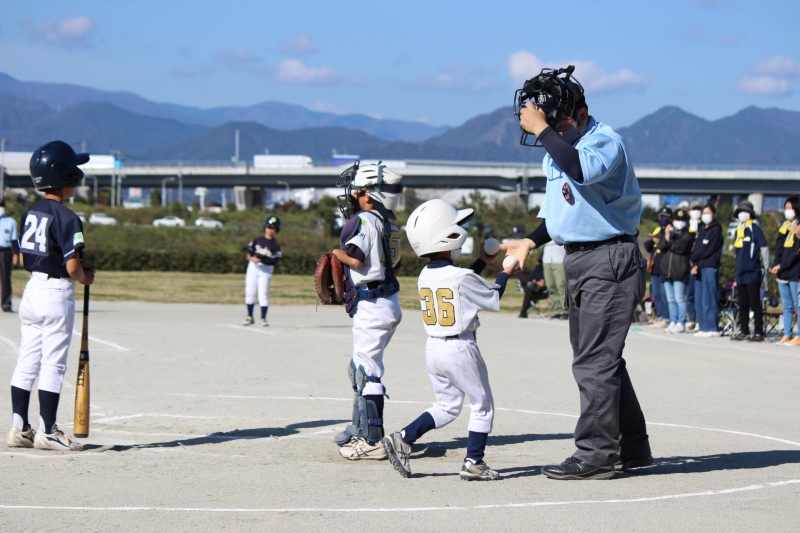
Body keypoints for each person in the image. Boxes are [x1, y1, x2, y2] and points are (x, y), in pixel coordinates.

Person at [503, 65, 652, 480]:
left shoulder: (603, 140)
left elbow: (581, 170)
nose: (548, 133)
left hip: (610, 258)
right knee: (601, 360)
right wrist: (529, 242)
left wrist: (544, 132)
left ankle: (596, 454)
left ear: (580, 115)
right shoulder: (560, 148)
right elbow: (559, 215)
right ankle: (632, 447)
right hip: (580, 260)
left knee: (594, 363)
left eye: (555, 124)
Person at [382, 200, 517, 481]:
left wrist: (482, 262)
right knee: (482, 405)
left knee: (447, 406)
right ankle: (474, 463)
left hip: (433, 348)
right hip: (459, 348)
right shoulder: (460, 275)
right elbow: (491, 297)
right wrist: (505, 271)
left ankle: (404, 438)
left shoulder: (424, 275)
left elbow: (460, 283)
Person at [7, 141, 95, 451]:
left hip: (31, 290)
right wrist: (87, 277)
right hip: (56, 292)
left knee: (28, 358)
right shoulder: (68, 217)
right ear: (66, 176)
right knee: (54, 363)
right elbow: (73, 267)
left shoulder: (30, 212)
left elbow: (22, 255)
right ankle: (48, 429)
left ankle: (20, 427)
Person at [330, 162, 403, 460]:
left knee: (368, 373)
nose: (352, 196)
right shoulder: (390, 221)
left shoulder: (364, 220)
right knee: (359, 367)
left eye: (356, 192)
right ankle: (358, 425)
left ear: (369, 195)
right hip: (387, 301)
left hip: (372, 303)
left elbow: (356, 260)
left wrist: (337, 254)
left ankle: (372, 440)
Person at [731, 200, 769, 342]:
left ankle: (758, 332)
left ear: (750, 214)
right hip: (741, 273)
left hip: (752, 272)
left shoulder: (754, 228)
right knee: (743, 304)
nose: (742, 214)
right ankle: (744, 330)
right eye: (740, 212)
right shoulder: (738, 230)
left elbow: (764, 246)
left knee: (754, 303)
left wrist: (766, 266)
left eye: (745, 212)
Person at [658, 208, 695, 333]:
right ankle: (673, 321)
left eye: (682, 220)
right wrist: (667, 235)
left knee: (680, 298)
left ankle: (681, 322)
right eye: (677, 220)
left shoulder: (688, 235)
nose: (679, 222)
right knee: (670, 299)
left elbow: (679, 248)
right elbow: (661, 246)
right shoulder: (671, 234)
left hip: (680, 271)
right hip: (667, 271)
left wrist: (670, 241)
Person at [769, 197, 800, 345]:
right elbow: (779, 248)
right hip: (783, 271)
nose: (787, 210)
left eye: (790, 207)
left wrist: (783, 265)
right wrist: (776, 264)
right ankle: (787, 333)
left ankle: (799, 335)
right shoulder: (784, 226)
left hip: (795, 271)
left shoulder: (798, 226)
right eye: (786, 207)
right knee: (786, 305)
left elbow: (796, 251)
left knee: (798, 304)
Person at [690, 204, 724, 337]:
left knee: (709, 297)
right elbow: (696, 248)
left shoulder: (715, 231)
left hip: (709, 266)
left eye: (708, 213)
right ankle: (703, 326)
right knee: (700, 298)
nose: (705, 215)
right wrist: (694, 263)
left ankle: (712, 326)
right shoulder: (702, 230)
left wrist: (695, 258)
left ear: (714, 215)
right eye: (704, 213)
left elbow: (707, 249)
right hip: (699, 267)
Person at [243, 215, 281, 326]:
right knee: (249, 291)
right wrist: (251, 257)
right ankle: (249, 316)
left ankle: (263, 318)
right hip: (253, 268)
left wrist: (261, 259)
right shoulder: (258, 240)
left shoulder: (275, 244)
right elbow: (249, 251)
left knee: (263, 293)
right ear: (265, 227)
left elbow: (274, 260)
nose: (270, 229)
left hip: (265, 270)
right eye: (268, 226)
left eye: (273, 228)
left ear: (276, 230)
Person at [644, 218, 670, 328]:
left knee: (664, 296)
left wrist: (661, 238)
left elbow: (663, 246)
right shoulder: (654, 243)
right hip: (654, 272)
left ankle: (666, 317)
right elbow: (647, 247)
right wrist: (651, 239)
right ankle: (659, 317)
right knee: (656, 296)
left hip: (663, 272)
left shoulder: (664, 241)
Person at [685, 201, 704, 331]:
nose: (696, 211)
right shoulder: (685, 227)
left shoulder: (704, 226)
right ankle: (692, 318)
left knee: (700, 294)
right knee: (690, 294)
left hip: (700, 264)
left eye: (698, 209)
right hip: (686, 265)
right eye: (693, 209)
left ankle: (700, 319)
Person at [0, 199, 19, 312]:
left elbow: (14, 239)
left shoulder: (11, 221)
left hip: (4, 251)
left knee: (5, 278)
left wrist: (16, 254)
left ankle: (6, 304)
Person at [541, 240, 567, 319]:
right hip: (547, 259)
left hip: (559, 259)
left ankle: (565, 310)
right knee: (551, 286)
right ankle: (558, 309)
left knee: (561, 285)